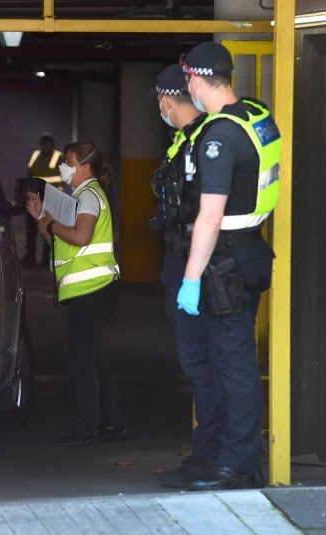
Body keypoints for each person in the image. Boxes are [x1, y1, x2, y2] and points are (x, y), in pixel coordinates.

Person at [166, 42, 280, 491]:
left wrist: (190, 279)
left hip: (225, 260)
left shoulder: (218, 137)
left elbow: (210, 215)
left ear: (193, 80)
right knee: (222, 362)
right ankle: (214, 454)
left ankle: (239, 463)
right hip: (250, 250)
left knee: (233, 365)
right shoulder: (253, 116)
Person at [25, 141, 127, 446]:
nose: (63, 166)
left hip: (94, 290)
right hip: (91, 290)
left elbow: (80, 236)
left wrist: (51, 223)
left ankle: (87, 428)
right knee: (89, 358)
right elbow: (64, 241)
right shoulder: (82, 196)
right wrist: (42, 221)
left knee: (80, 359)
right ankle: (113, 422)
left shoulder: (89, 197)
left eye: (68, 161)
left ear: (84, 166)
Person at [146, 64, 211, 488]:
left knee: (203, 364)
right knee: (200, 364)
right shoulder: (187, 141)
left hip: (194, 262)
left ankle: (212, 457)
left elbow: (204, 208)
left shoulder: (205, 142)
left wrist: (190, 275)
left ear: (166, 100)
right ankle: (210, 453)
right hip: (185, 259)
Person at [23, 133, 63, 266]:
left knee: (48, 228)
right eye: (44, 143)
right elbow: (30, 174)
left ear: (52, 144)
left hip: (51, 199)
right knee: (32, 228)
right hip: (36, 197)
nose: (46, 145)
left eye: (48, 143)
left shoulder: (59, 157)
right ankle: (30, 255)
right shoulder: (35, 156)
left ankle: (47, 257)